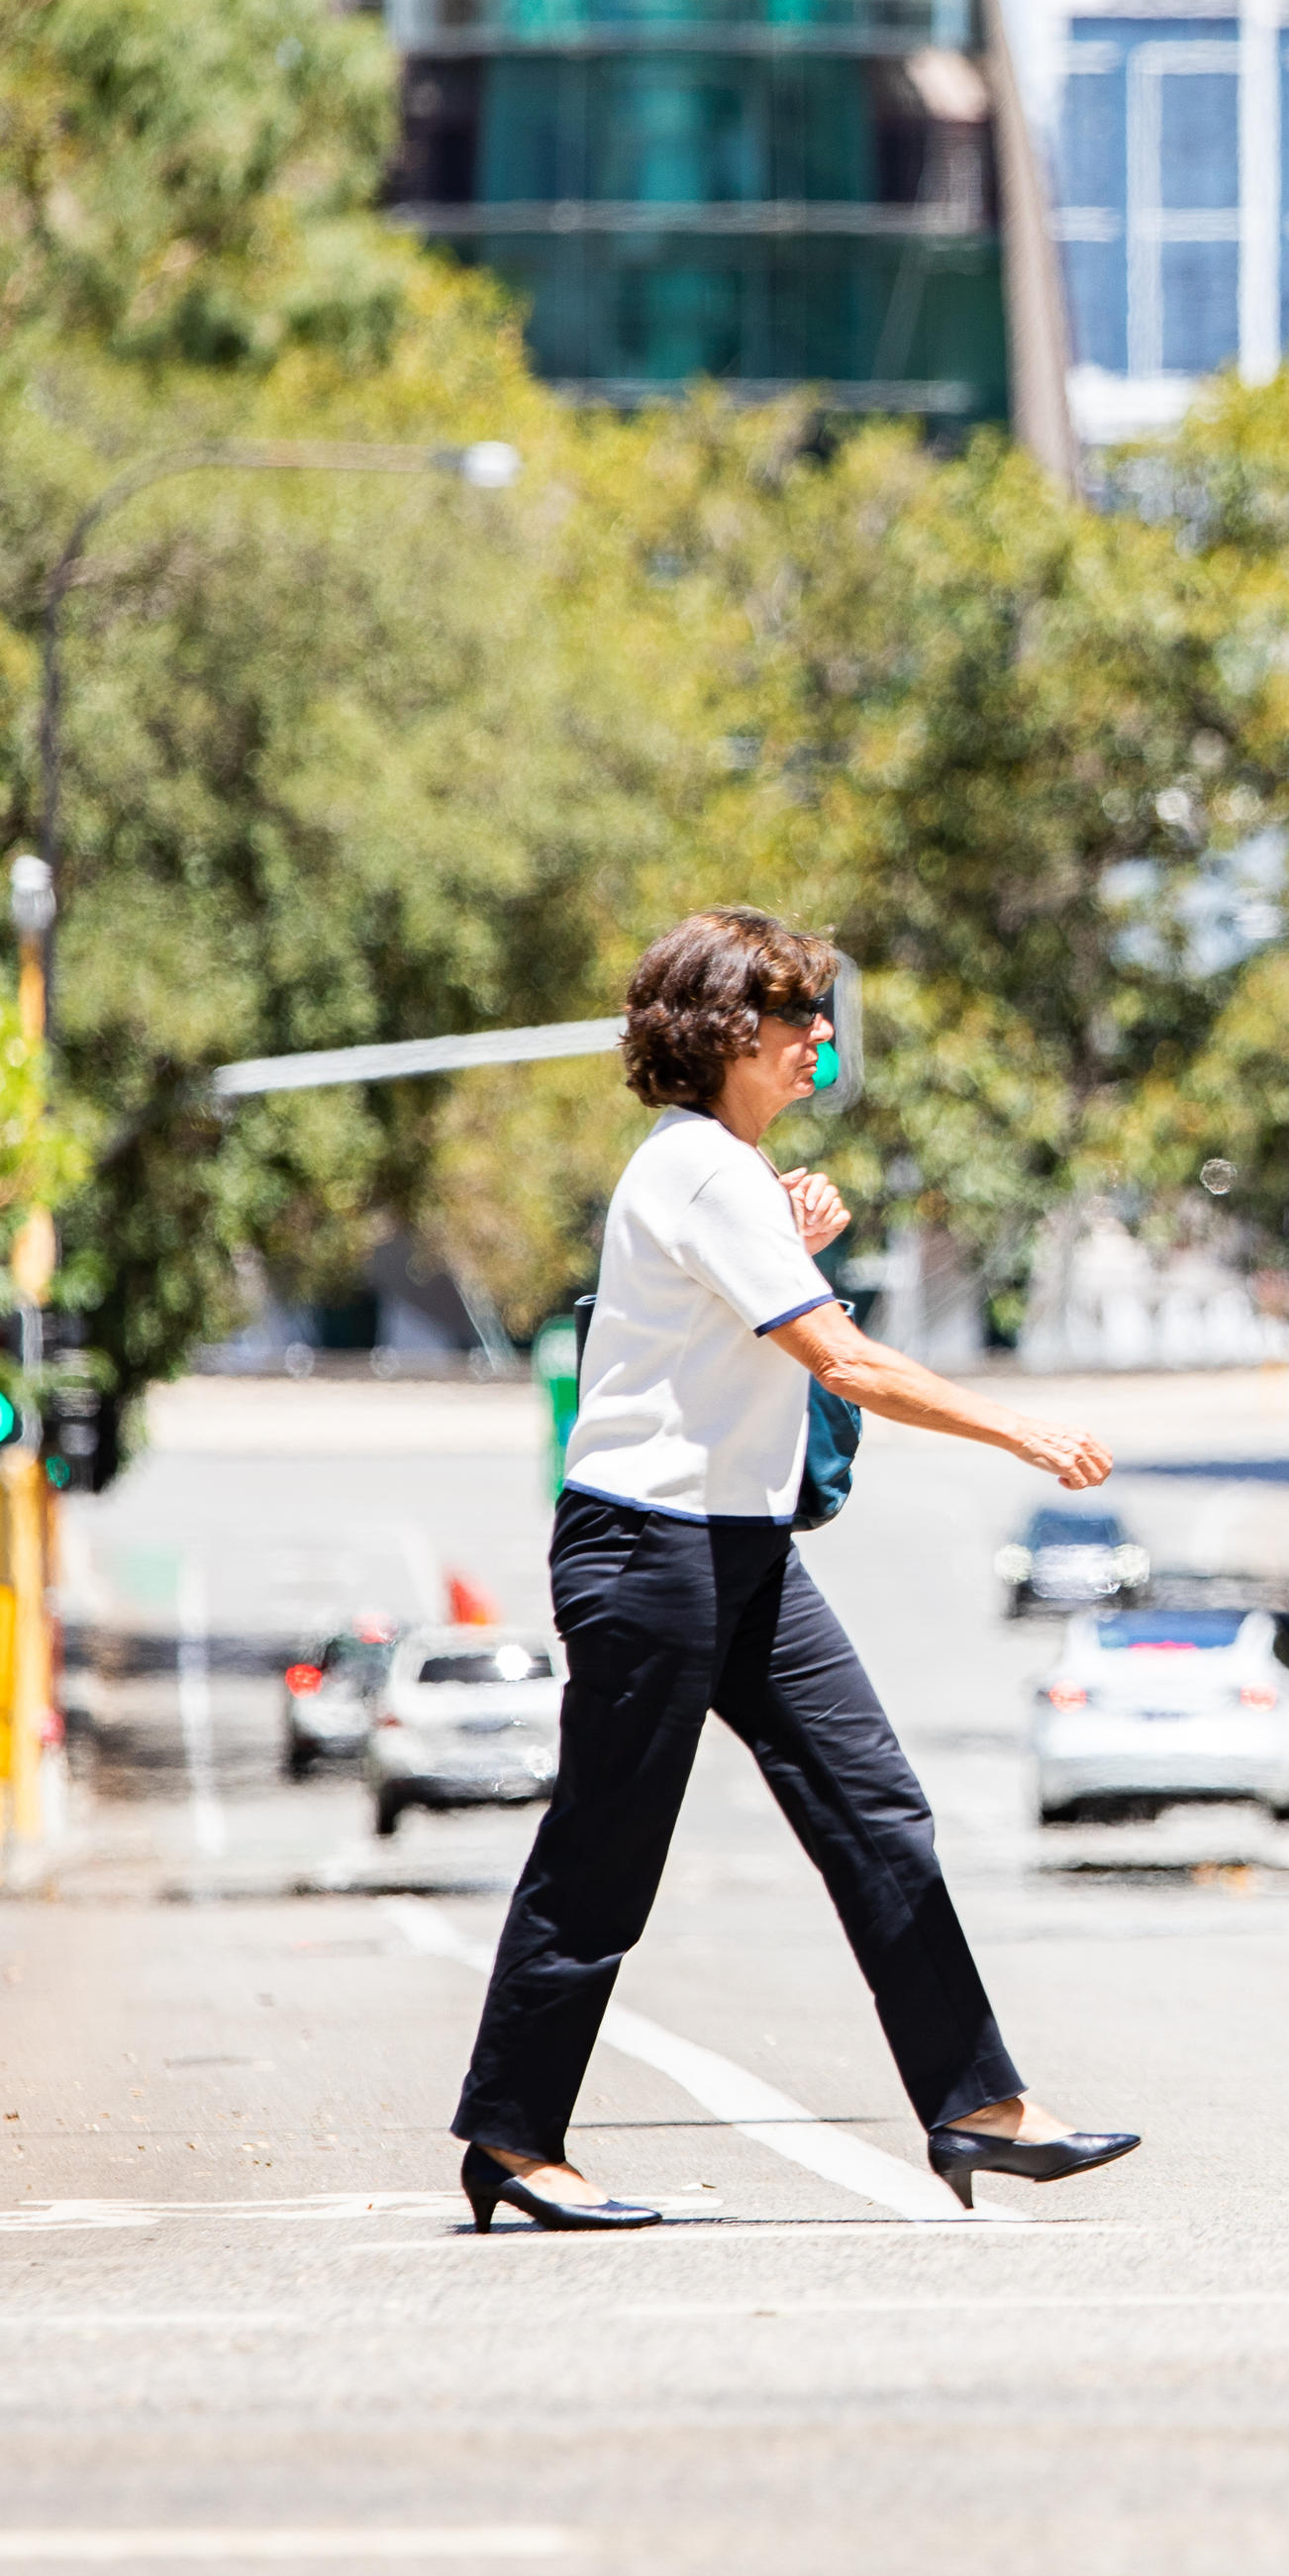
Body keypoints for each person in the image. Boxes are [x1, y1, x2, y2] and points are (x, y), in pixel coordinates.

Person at [450, 907, 1135, 2229]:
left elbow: (729, 1328)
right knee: (602, 1859)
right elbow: (852, 1363)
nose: (819, 1035)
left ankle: (977, 2103)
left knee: (877, 1812)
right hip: (649, 1549)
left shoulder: (730, 1175)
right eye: (792, 1015)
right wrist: (1023, 1428)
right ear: (722, 1034)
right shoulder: (701, 1168)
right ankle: (511, 2138)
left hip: (737, 1550)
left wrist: (793, 1236)